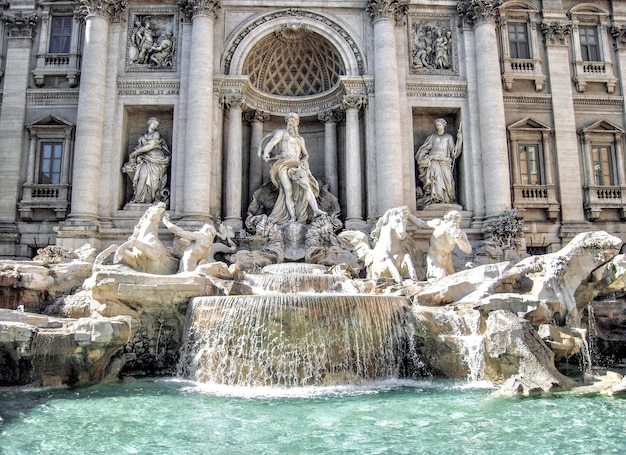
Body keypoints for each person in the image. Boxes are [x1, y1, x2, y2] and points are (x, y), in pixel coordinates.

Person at [258, 112, 326, 224]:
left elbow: (306, 154)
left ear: (297, 122)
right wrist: (266, 153)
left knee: (306, 186)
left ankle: (315, 210)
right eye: (290, 120)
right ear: (287, 121)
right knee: (287, 190)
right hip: (283, 164)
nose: (292, 122)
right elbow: (272, 143)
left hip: (296, 165)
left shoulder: (300, 139)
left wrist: (304, 161)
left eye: (294, 120)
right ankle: (292, 217)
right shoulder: (281, 133)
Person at [122, 117, 171, 204]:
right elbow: (139, 147)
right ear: (149, 122)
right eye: (154, 123)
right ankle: (139, 198)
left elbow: (150, 146)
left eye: (156, 125)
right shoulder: (142, 137)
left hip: (156, 159)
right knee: (142, 177)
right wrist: (135, 155)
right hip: (145, 159)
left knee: (154, 181)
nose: (155, 126)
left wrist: (136, 152)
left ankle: (149, 199)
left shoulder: (156, 134)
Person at [415, 118, 462, 206]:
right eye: (437, 126)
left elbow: (454, 153)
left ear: (444, 126)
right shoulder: (432, 137)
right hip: (434, 162)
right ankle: (436, 199)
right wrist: (426, 158)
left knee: (448, 180)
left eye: (439, 125)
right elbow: (423, 150)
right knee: (436, 180)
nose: (438, 127)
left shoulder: (448, 137)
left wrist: (459, 140)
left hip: (445, 162)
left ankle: (447, 199)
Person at [426, 210, 472, 280]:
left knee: (452, 281)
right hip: (433, 258)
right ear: (447, 220)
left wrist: (458, 240)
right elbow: (423, 224)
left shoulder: (460, 233)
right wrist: (409, 216)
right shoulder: (438, 224)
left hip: (447, 262)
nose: (455, 225)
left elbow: (468, 250)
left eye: (457, 223)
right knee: (439, 279)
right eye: (453, 222)